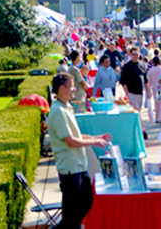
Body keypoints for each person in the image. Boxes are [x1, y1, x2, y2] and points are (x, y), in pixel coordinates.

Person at [47, 73, 112, 229]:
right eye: (72, 86)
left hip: (78, 166)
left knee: (84, 205)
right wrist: (94, 142)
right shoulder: (58, 111)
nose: (74, 89)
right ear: (62, 89)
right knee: (72, 216)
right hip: (70, 168)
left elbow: (76, 134)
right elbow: (70, 141)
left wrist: (96, 137)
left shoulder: (66, 107)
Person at [120, 46, 151, 139]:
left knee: (137, 113)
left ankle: (135, 130)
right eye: (133, 54)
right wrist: (127, 93)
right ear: (130, 54)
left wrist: (148, 92)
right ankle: (143, 131)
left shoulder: (142, 65)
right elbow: (123, 81)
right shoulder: (127, 66)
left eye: (137, 54)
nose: (135, 56)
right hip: (132, 93)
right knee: (137, 112)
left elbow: (146, 80)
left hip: (140, 93)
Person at [147, 56, 161, 124]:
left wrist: (148, 90)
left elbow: (149, 81)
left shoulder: (151, 70)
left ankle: (157, 118)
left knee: (156, 103)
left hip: (155, 88)